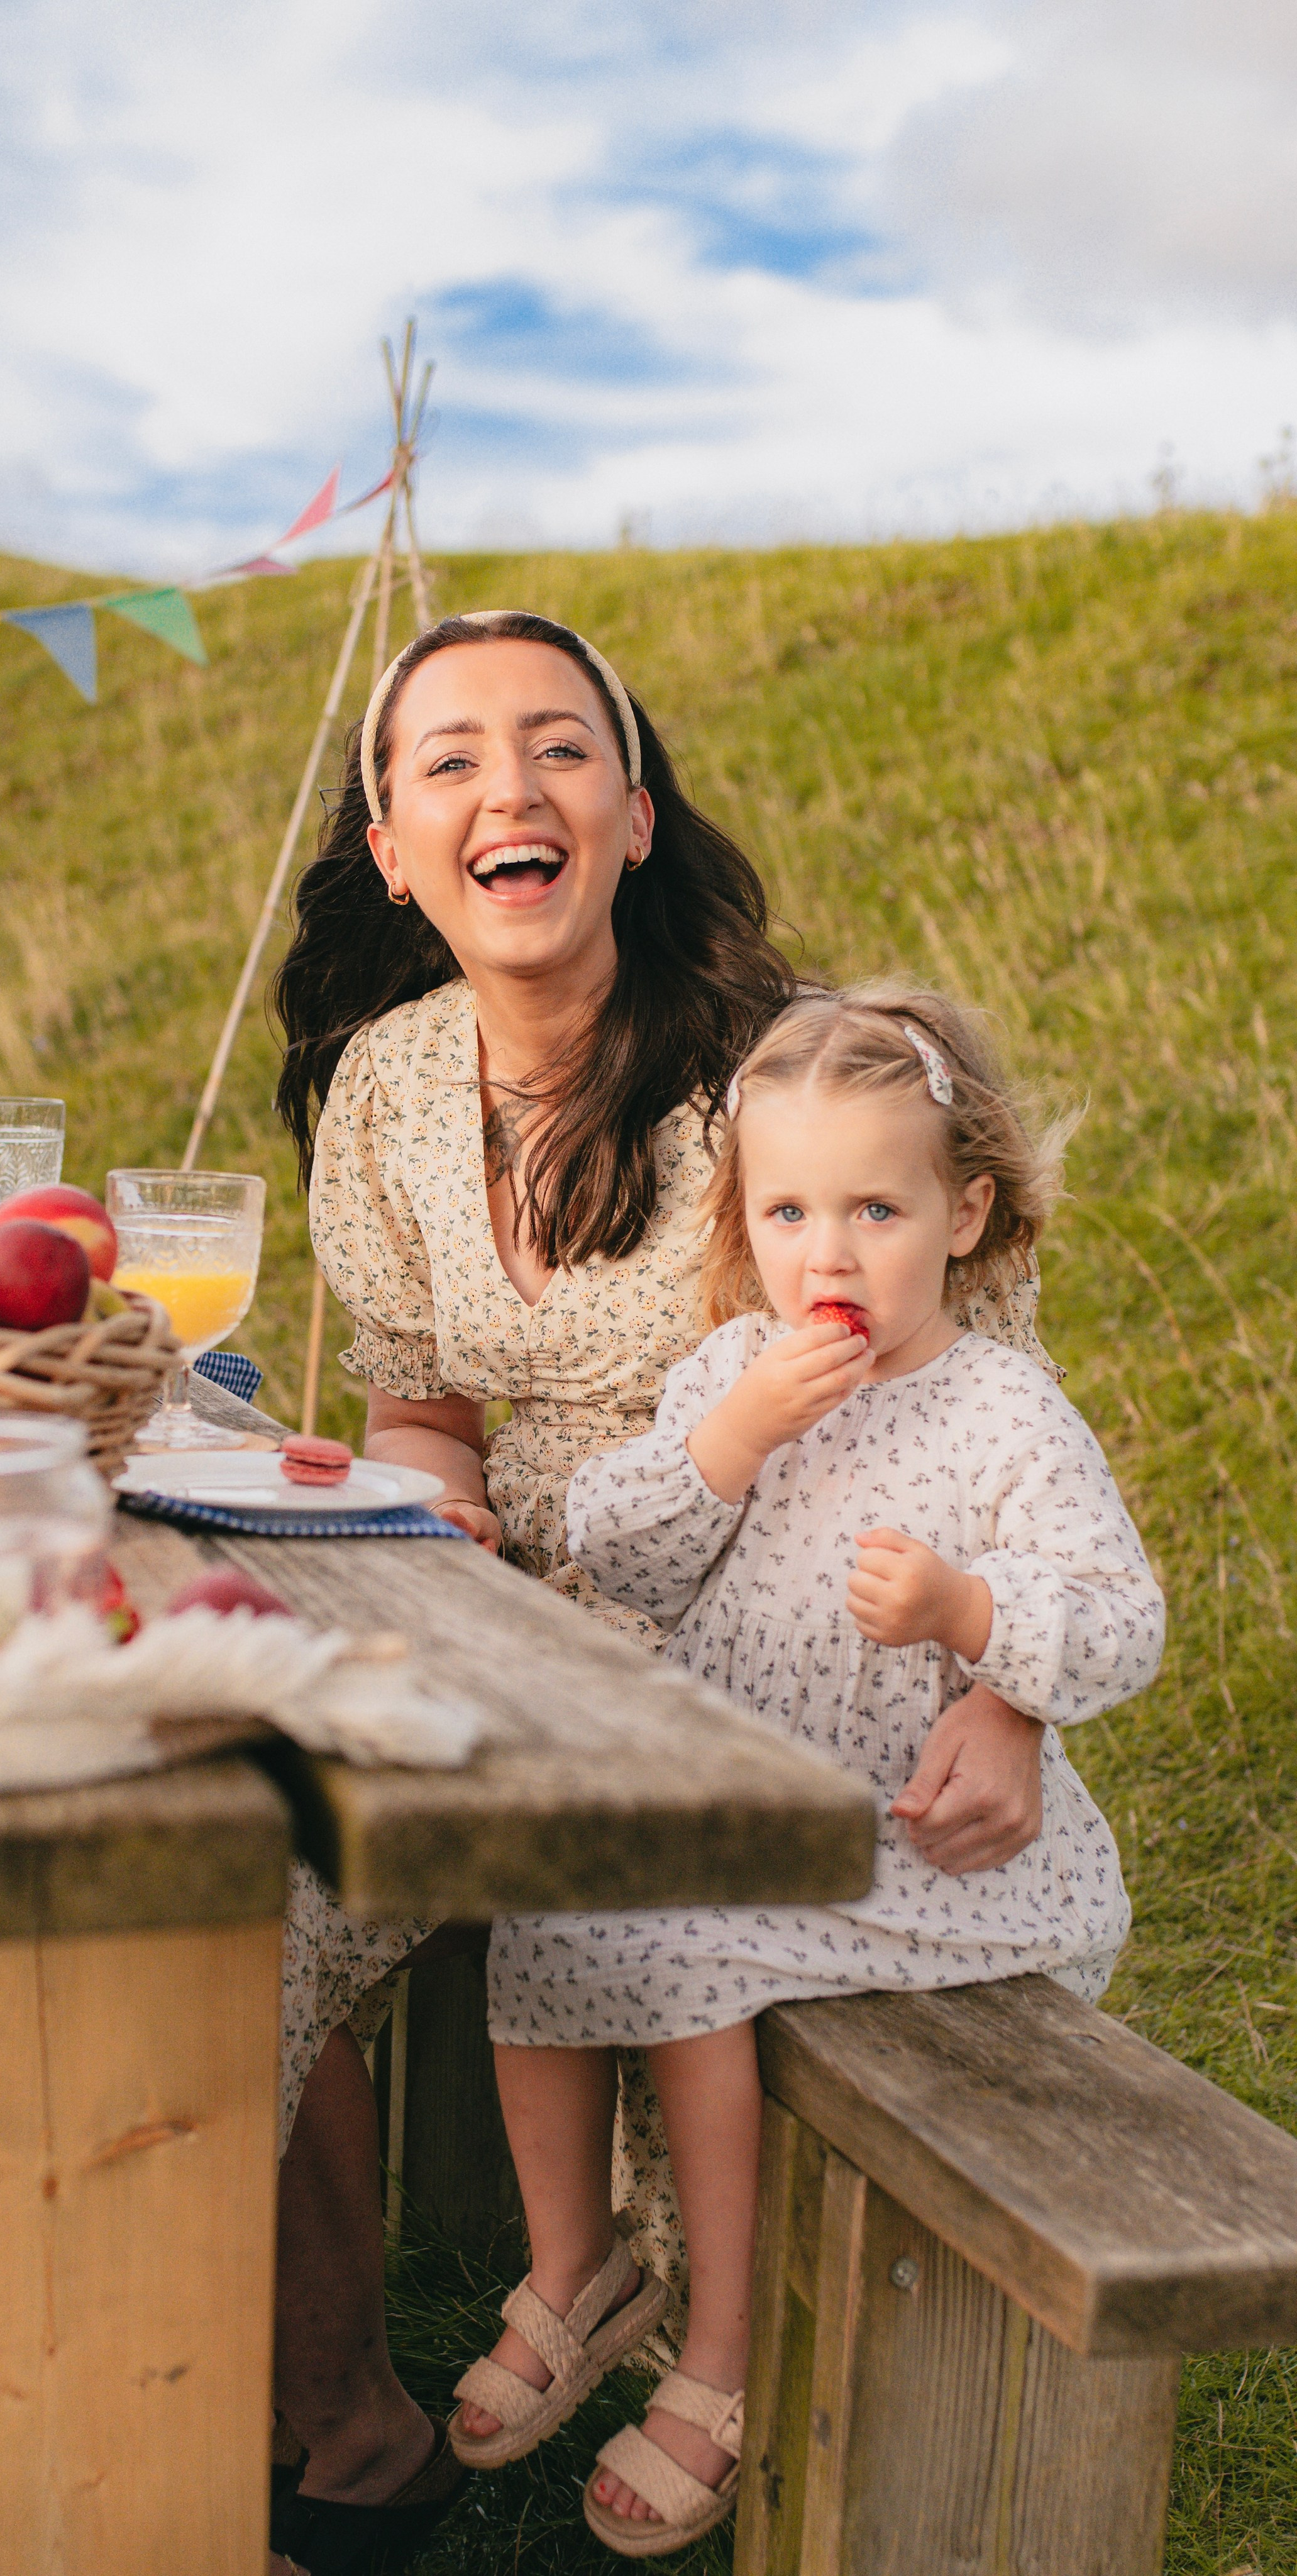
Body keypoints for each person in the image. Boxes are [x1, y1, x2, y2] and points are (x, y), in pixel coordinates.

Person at [267, 613, 1058, 2573]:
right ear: (390, 838)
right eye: (447, 760)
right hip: (499, 1630)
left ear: (630, 812)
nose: (504, 790)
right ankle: (327, 2414)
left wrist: (1005, 1694)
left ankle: (692, 2360)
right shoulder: (386, 1089)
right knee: (241, 1857)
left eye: (556, 749)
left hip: (759, 1653)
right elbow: (421, 1402)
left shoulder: (780, 1082)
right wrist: (429, 1508)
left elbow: (994, 1401)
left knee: (340, 1880)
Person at [451, 984, 1164, 2556]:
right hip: (753, 1814)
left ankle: (720, 2351)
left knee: (697, 1941)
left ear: (965, 1212)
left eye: (875, 1208)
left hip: (922, 1856)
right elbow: (618, 1553)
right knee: (546, 1901)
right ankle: (578, 2263)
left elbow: (1123, 1623)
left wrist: (972, 1614)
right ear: (746, 1219)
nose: (827, 1255)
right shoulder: (737, 1374)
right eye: (788, 1209)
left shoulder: (1001, 1411)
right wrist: (729, 1442)